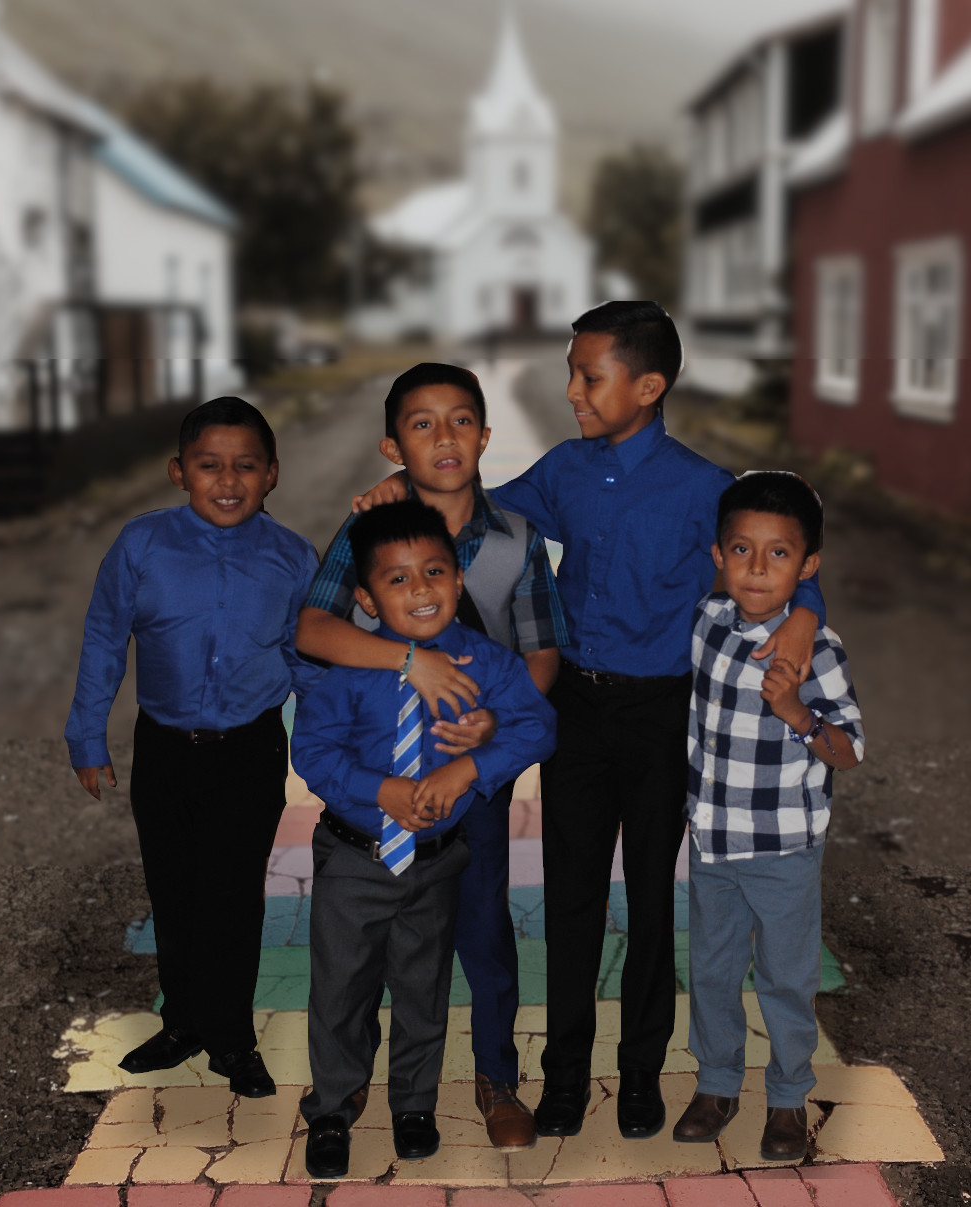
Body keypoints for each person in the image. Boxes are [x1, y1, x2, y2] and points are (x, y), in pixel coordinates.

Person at [353, 302, 825, 1140]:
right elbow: (473, 506)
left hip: (661, 714)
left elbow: (783, 561)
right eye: (572, 373)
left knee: (651, 897)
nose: (570, 389)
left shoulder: (704, 487)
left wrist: (803, 619)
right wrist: (406, 489)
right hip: (574, 707)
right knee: (571, 896)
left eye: (587, 375)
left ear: (648, 385)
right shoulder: (565, 471)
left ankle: (640, 1071)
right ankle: (565, 1073)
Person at [296, 362, 568, 1150]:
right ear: (394, 443)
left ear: (485, 436)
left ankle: (494, 1075)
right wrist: (407, 662)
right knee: (352, 955)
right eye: (421, 424)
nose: (443, 438)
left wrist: (488, 734)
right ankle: (341, 1084)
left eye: (459, 421)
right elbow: (315, 630)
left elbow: (541, 656)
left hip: (468, 779)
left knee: (479, 928)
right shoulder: (370, 529)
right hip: (374, 784)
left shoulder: (517, 538)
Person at [65, 396, 319, 1098]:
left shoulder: (294, 558)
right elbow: (103, 640)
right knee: (173, 893)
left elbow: (310, 661)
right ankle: (182, 1023)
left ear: (273, 473)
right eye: (210, 465)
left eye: (246, 466)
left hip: (250, 752)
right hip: (166, 750)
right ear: (180, 471)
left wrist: (329, 750)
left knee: (233, 898)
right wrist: (87, 736)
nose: (228, 480)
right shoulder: (140, 546)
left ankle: (233, 1038)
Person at [673, 471, 863, 1161]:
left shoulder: (819, 649)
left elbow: (848, 751)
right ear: (719, 555)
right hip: (714, 840)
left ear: (807, 565)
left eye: (779, 553)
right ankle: (718, 1081)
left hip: (783, 845)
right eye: (742, 550)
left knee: (786, 976)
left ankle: (787, 1096)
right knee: (714, 970)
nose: (757, 567)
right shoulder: (706, 623)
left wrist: (797, 713)